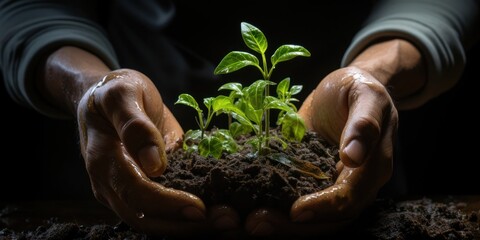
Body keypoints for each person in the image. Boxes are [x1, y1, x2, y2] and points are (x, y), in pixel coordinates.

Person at [0, 0, 478, 238]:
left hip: (346, 152)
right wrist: (88, 86)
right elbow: (27, 5)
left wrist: (373, 74)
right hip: (127, 140)